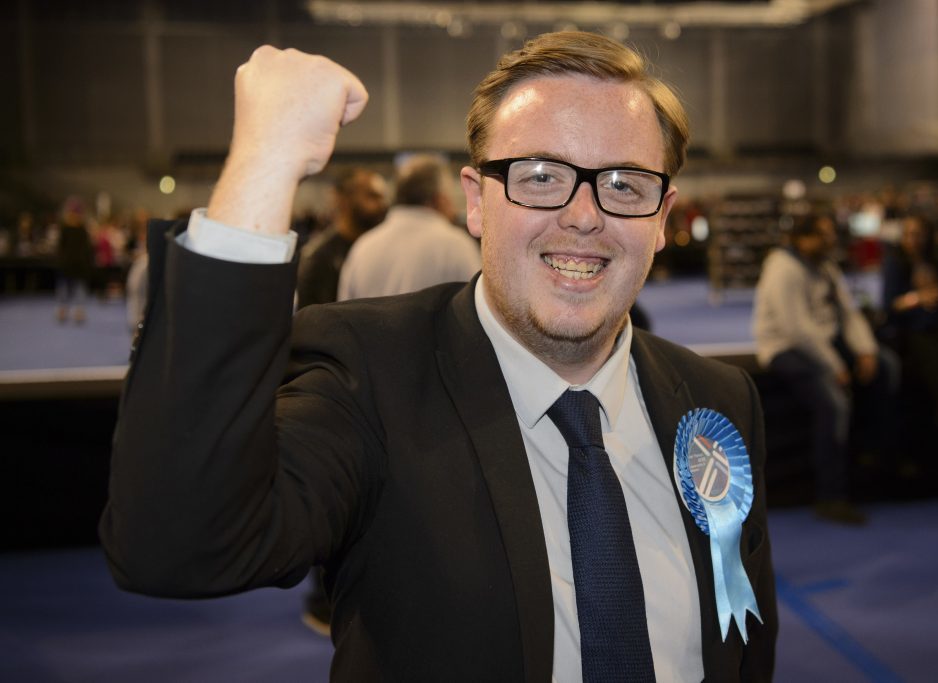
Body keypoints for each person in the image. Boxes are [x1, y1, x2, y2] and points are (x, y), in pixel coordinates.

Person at [101, 33, 777, 681]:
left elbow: (743, 645)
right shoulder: (370, 374)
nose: (582, 215)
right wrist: (265, 157)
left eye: (625, 184)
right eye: (540, 176)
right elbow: (175, 544)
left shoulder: (717, 398)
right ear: (476, 201)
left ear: (663, 217)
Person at [753, 212, 898, 525]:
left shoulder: (826, 266)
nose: (829, 240)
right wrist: (833, 366)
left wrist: (866, 351)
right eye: (822, 234)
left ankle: (876, 457)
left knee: (886, 366)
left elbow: (849, 313)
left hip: (824, 341)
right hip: (785, 348)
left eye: (830, 233)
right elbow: (797, 330)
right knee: (834, 404)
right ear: (801, 237)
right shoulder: (783, 268)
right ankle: (831, 497)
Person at [880, 213, 938, 444]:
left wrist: (937, 300)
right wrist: (919, 298)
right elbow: (891, 305)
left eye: (918, 234)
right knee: (930, 356)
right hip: (911, 329)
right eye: (908, 235)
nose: (913, 240)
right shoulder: (895, 263)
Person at [337, 154, 480, 301]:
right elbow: (476, 310)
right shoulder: (456, 246)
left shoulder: (362, 247)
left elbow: (344, 312)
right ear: (440, 199)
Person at [295, 166, 388, 309]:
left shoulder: (381, 249)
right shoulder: (319, 258)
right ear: (343, 200)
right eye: (372, 196)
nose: (381, 204)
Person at [54, 197, 94, 324]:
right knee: (63, 290)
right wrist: (61, 261)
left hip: (80, 266)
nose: (74, 216)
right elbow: (60, 247)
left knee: (80, 290)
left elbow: (87, 248)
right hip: (66, 265)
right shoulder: (64, 229)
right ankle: (62, 311)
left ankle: (79, 312)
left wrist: (86, 262)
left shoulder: (83, 230)